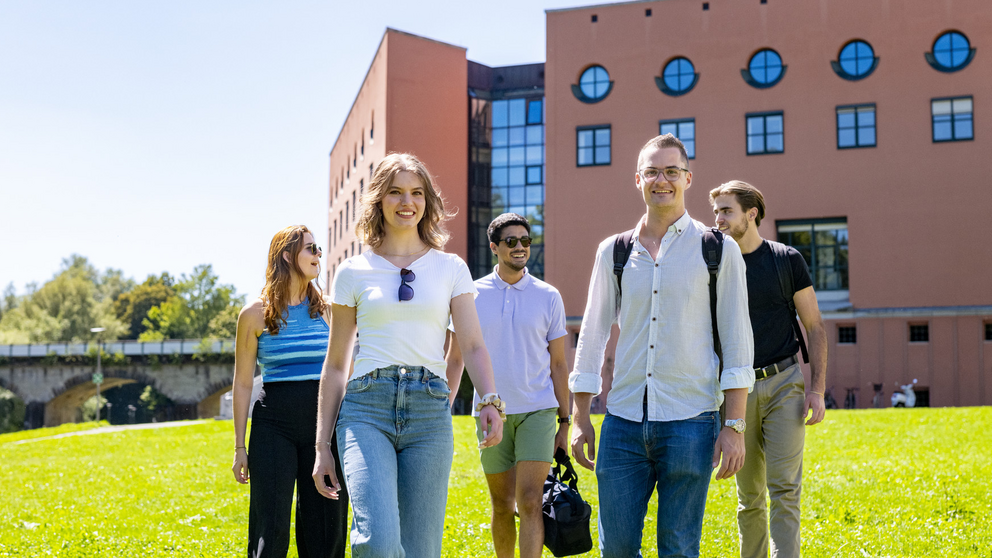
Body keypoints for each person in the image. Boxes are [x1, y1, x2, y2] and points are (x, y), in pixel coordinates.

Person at [310, 152, 505, 558]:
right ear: (379, 200)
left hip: (429, 412)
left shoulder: (450, 267)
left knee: (421, 549)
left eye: (417, 193)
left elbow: (471, 344)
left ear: (427, 202)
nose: (406, 202)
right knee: (377, 543)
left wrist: (489, 399)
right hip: (366, 409)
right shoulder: (352, 271)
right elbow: (335, 364)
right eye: (395, 192)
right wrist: (321, 445)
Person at [570, 134, 755, 558]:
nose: (662, 180)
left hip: (691, 421)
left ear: (688, 179)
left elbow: (737, 341)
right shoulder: (613, 252)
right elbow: (593, 333)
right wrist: (581, 415)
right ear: (638, 179)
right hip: (622, 422)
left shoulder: (718, 249)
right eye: (652, 171)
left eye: (672, 171)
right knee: (615, 548)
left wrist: (735, 425)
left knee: (678, 548)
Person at [711, 180, 827, 558]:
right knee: (749, 497)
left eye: (726, 211)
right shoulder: (713, 264)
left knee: (784, 490)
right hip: (736, 393)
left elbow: (815, 326)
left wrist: (817, 390)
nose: (718, 219)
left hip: (783, 384)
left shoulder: (785, 259)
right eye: (716, 212)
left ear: (752, 214)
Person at [445, 212, 570, 558]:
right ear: (494, 248)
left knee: (530, 501)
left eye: (525, 241)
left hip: (538, 411)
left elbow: (559, 364)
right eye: (511, 241)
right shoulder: (471, 295)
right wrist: (443, 409)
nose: (520, 247)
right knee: (502, 504)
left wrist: (565, 421)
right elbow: (456, 359)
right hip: (489, 414)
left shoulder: (549, 296)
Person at [231, 225, 348, 558]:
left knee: (325, 528)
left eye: (319, 248)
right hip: (273, 426)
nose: (319, 254)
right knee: (270, 528)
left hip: (325, 427)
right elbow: (242, 382)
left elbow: (346, 371)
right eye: (311, 248)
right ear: (287, 255)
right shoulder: (254, 314)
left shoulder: (329, 310)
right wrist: (240, 446)